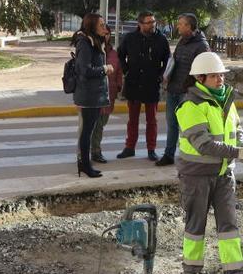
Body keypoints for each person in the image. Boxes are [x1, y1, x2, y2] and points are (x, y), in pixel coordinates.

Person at [176, 52, 243, 274]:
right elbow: (203, 144)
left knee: (229, 226)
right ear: (200, 78)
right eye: (214, 76)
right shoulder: (190, 105)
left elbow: (237, 128)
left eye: (221, 75)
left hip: (224, 174)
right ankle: (191, 272)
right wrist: (236, 152)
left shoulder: (226, 100)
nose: (220, 80)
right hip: (196, 175)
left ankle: (235, 273)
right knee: (195, 224)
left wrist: (242, 146)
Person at [156, 13, 210, 167]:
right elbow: (175, 61)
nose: (178, 26)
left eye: (181, 24)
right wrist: (167, 74)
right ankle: (168, 154)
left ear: (189, 26)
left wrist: (189, 87)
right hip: (173, 88)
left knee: (187, 126)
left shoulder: (202, 46)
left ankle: (190, 156)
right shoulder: (182, 41)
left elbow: (203, 72)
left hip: (187, 92)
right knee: (171, 123)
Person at [116, 11, 171, 161]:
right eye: (148, 22)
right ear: (140, 24)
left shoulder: (161, 39)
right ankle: (129, 147)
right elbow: (120, 54)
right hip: (133, 83)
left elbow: (167, 59)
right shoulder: (130, 38)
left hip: (151, 84)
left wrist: (160, 75)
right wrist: (126, 69)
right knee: (132, 119)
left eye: (153, 22)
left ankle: (151, 149)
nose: (152, 25)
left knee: (151, 120)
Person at [71, 13, 113, 178]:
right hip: (88, 95)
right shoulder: (85, 43)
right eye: (101, 25)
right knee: (86, 132)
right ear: (92, 26)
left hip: (95, 94)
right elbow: (84, 70)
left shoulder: (95, 42)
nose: (105, 28)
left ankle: (85, 164)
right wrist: (105, 68)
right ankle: (85, 165)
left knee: (89, 130)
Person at [89, 33, 123, 163]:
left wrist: (119, 85)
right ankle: (94, 151)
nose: (106, 35)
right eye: (103, 32)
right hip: (95, 94)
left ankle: (95, 150)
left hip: (110, 93)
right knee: (93, 125)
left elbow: (119, 70)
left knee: (101, 124)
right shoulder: (92, 50)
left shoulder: (114, 53)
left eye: (108, 33)